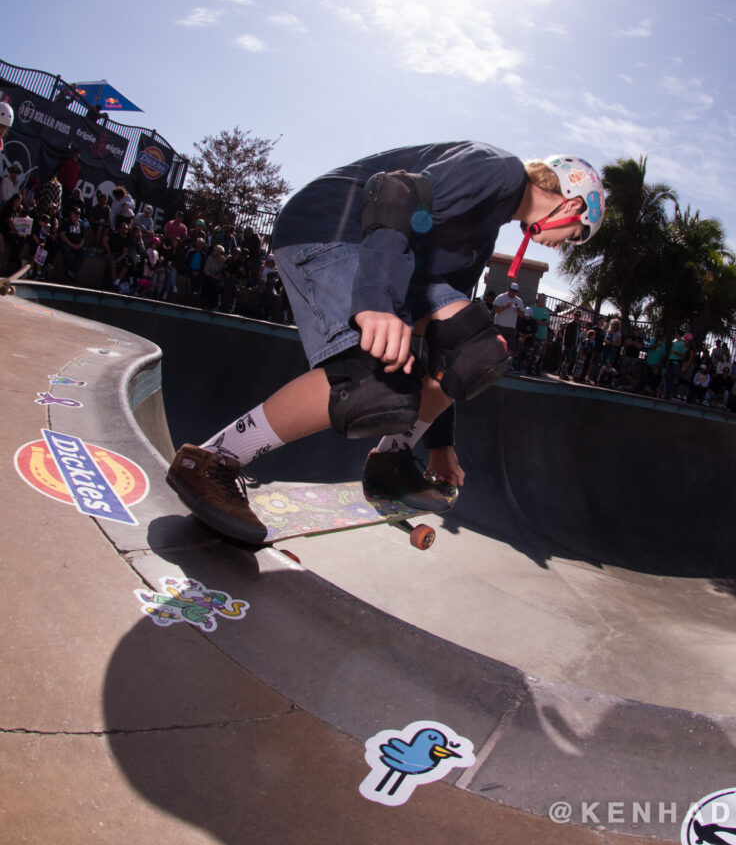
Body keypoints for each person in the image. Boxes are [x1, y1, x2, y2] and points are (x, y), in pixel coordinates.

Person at [166, 145, 605, 545]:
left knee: (476, 352)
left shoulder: (484, 231)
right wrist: (377, 301)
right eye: (577, 233)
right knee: (373, 384)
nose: (568, 243)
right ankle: (212, 459)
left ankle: (392, 463)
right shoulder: (500, 170)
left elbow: (446, 345)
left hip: (387, 259)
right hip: (329, 231)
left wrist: (439, 443)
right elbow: (394, 190)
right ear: (570, 202)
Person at [492, 281, 524, 362]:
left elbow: (522, 315)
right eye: (512, 290)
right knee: (497, 346)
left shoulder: (519, 301)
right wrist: (504, 307)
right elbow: (495, 309)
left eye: (515, 291)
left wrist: (518, 310)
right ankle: (493, 363)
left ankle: (507, 365)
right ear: (508, 289)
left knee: (511, 348)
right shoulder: (501, 297)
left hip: (511, 327)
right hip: (499, 325)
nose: (513, 293)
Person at [59, 204, 87, 280]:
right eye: (75, 213)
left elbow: (82, 238)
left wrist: (80, 245)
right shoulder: (66, 222)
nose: (77, 215)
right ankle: (68, 270)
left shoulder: (80, 224)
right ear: (71, 213)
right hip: (68, 243)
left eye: (78, 214)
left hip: (76, 245)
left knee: (83, 252)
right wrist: (71, 244)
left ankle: (73, 272)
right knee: (65, 250)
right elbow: (62, 235)